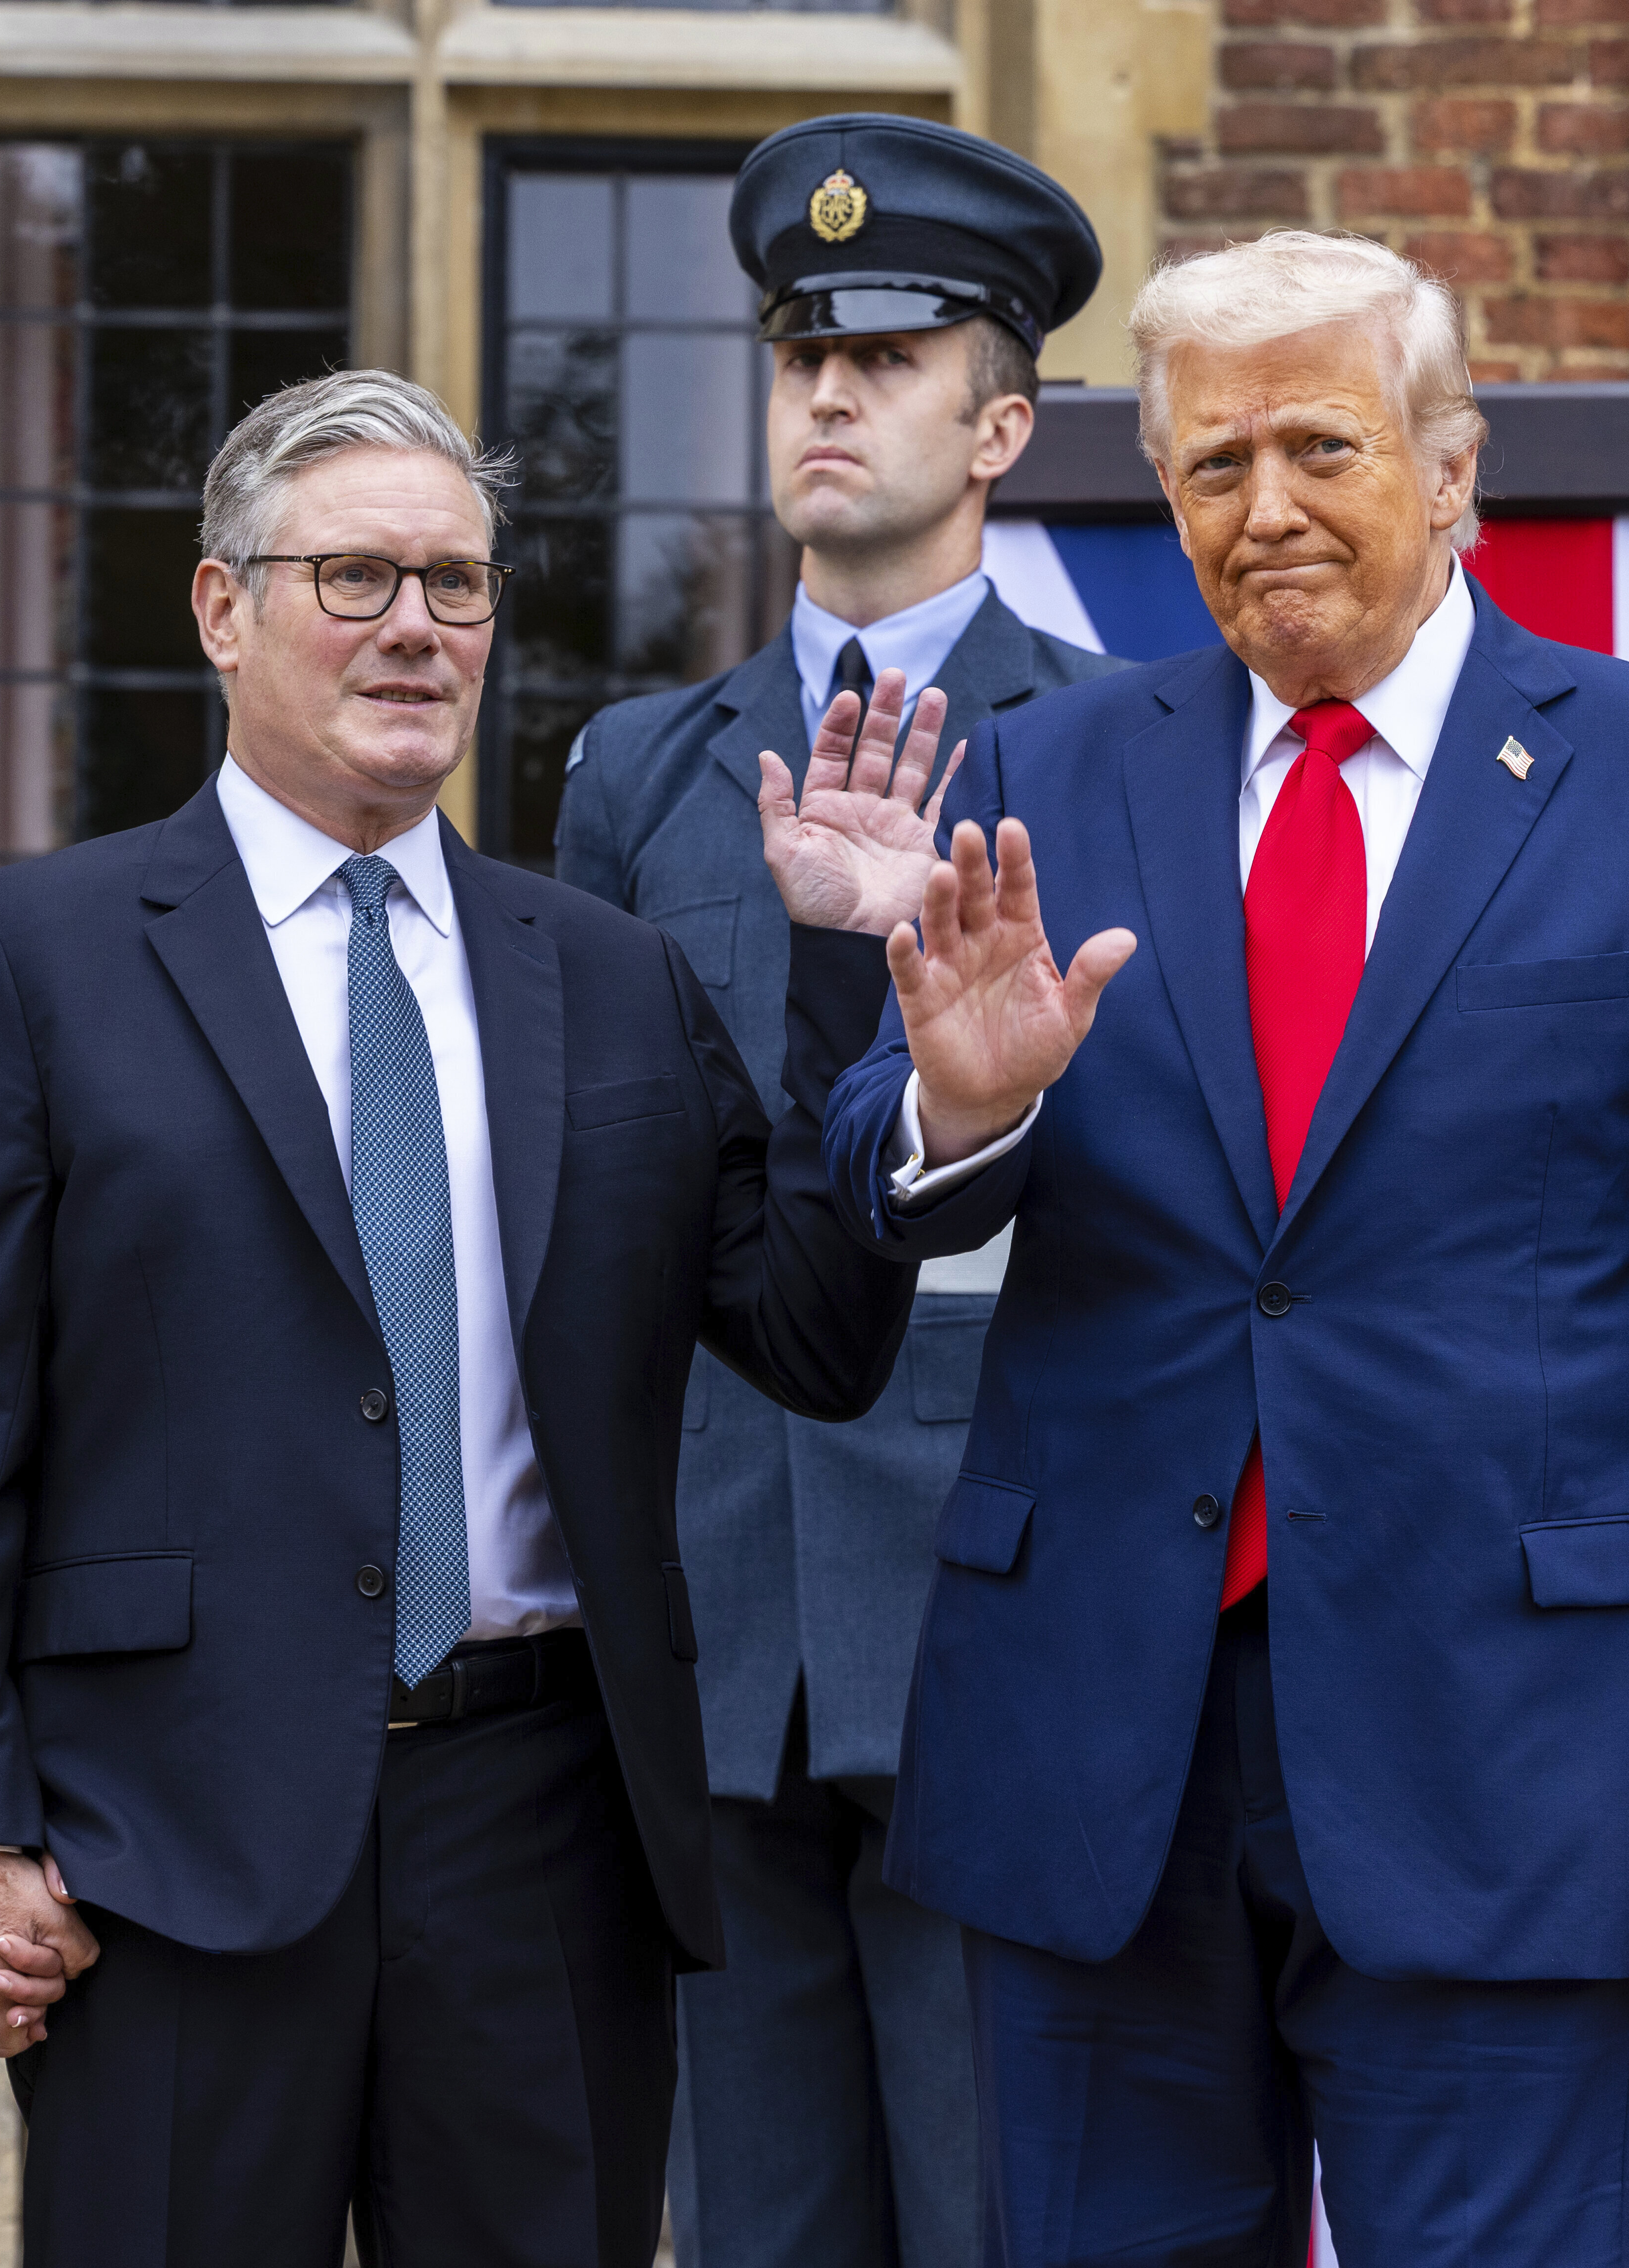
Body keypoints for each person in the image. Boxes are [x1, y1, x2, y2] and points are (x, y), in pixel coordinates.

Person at [814, 230, 1629, 2267]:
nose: (1262, 508)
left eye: (1318, 445)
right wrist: (965, 1101)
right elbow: (879, 1162)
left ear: (1453, 465)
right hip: (1098, 1744)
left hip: (1509, 1752)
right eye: (1208, 466)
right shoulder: (1046, 765)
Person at [0, 366, 956, 2265]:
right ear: (222, 608)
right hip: (166, 1834)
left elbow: (808, 1338)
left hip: (545, 1830)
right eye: (354, 578)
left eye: (457, 585)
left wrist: (879, 1022)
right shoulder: (32, 960)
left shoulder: (604, 977)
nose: (417, 630)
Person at [555, 113, 1123, 2268]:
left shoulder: (1108, 742)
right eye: (797, 351)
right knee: (758, 2222)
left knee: (1006, 2213)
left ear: (999, 421)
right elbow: (600, 1199)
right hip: (712, 1606)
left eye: (884, 359)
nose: (821, 391)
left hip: (993, 1586)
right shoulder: (643, 766)